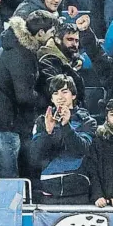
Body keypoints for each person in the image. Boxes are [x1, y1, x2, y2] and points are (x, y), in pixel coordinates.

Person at [0, 10, 57, 178]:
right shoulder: (21, 54)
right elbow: (24, 96)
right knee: (9, 180)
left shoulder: (18, 46)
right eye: (51, 32)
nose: (53, 37)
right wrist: (47, 100)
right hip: (3, 126)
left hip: (2, 123)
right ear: (40, 33)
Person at [31, 75, 97, 205]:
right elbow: (35, 157)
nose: (60, 97)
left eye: (64, 91)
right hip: (49, 190)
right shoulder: (43, 121)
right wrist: (47, 132)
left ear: (73, 95)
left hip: (78, 190)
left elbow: (82, 150)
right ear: (51, 98)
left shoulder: (88, 121)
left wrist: (66, 126)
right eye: (55, 93)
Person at [37, 22, 86, 110]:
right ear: (58, 40)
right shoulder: (48, 60)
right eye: (70, 39)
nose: (74, 44)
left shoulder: (72, 60)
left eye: (77, 40)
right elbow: (54, 89)